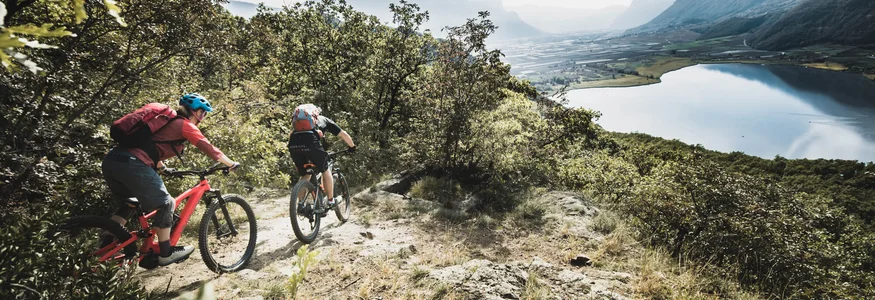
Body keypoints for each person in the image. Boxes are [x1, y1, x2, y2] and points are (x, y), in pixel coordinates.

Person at [101, 93, 240, 266]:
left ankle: (104, 248)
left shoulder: (162, 124)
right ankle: (165, 253)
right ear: (195, 112)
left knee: (131, 203)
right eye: (203, 113)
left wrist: (163, 168)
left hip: (112, 161)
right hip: (132, 164)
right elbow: (209, 148)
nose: (203, 118)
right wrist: (230, 163)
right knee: (167, 203)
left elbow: (148, 148)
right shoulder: (184, 125)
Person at [287, 104, 356, 212]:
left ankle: (301, 204)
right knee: (325, 168)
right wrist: (352, 147)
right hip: (311, 144)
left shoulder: (298, 126)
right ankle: (331, 200)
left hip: (294, 145)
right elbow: (344, 135)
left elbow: (291, 136)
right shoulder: (324, 120)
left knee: (306, 174)